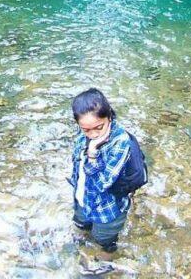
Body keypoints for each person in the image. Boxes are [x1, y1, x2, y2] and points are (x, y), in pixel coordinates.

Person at [69, 88, 132, 255]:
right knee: (81, 229)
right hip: (82, 199)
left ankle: (105, 268)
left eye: (99, 127)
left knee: (104, 243)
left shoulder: (121, 142)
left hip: (107, 210)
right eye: (86, 130)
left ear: (109, 117)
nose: (93, 134)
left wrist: (92, 154)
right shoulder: (85, 132)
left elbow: (102, 183)